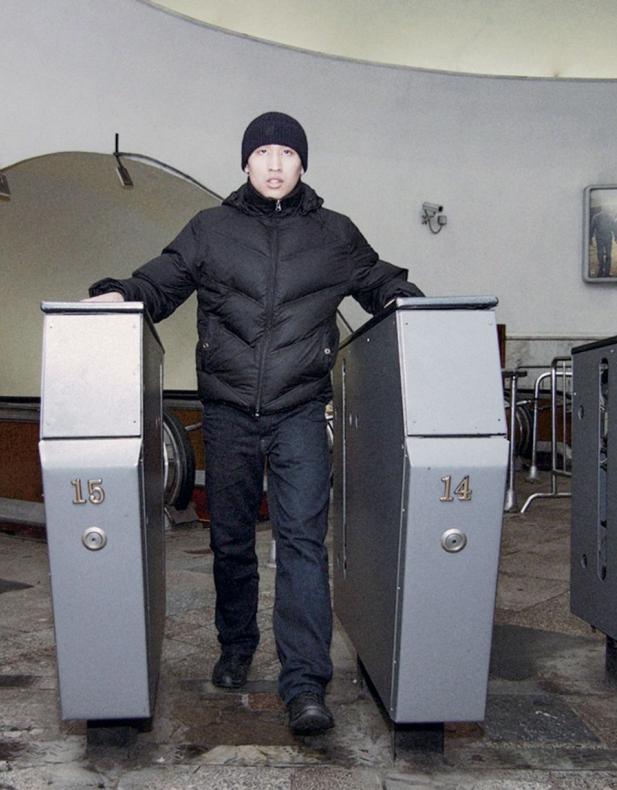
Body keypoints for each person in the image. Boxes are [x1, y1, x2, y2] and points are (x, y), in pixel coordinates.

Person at [84, 112, 422, 735]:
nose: (273, 164)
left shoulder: (334, 234)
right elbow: (163, 279)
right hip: (228, 410)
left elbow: (379, 283)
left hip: (298, 409)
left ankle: (304, 684)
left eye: (286, 153)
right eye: (262, 152)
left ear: (302, 164)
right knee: (231, 541)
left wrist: (416, 301)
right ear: (245, 163)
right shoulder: (211, 229)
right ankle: (236, 645)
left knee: (300, 543)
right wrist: (121, 294)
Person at [589, 205, 616, 277]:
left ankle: (606, 272)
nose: (608, 210)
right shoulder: (597, 217)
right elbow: (592, 228)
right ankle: (602, 270)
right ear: (603, 209)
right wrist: (590, 238)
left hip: (607, 237)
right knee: (602, 254)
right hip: (600, 238)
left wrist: (616, 237)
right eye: (607, 208)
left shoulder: (610, 217)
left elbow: (614, 228)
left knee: (607, 255)